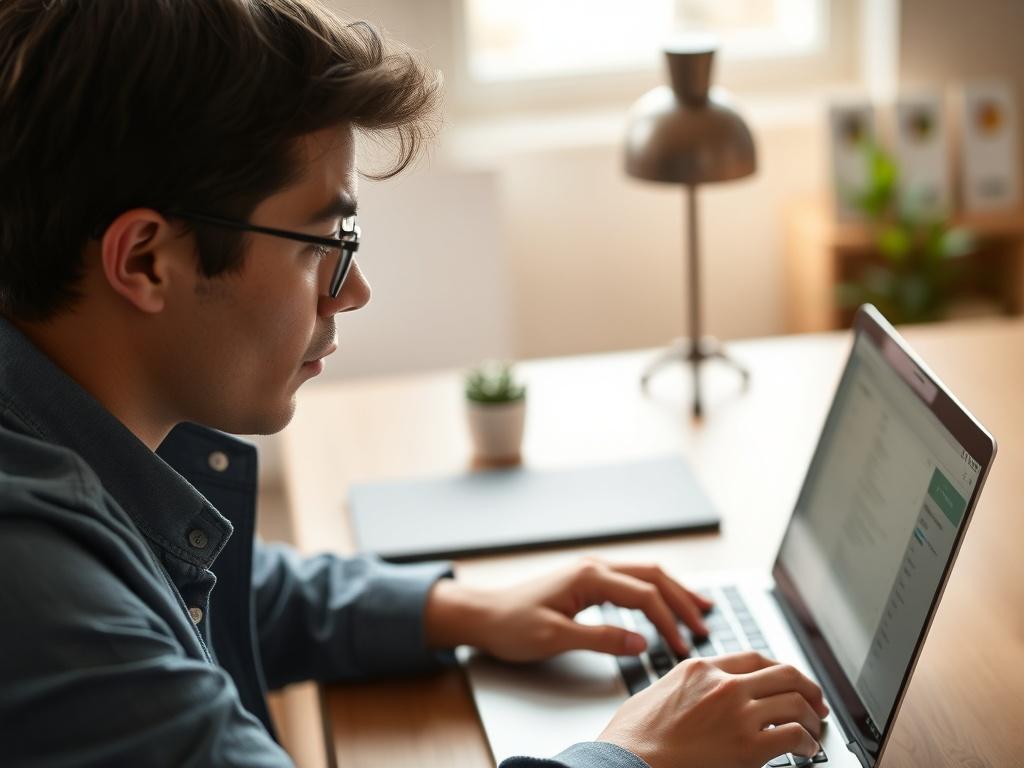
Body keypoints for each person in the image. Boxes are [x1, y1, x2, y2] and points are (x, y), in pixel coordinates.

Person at [0, 1, 828, 766]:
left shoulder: (66, 455)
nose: (353, 291)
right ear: (147, 261)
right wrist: (632, 758)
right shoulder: (43, 594)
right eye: (321, 244)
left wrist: (462, 609)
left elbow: (208, 585)